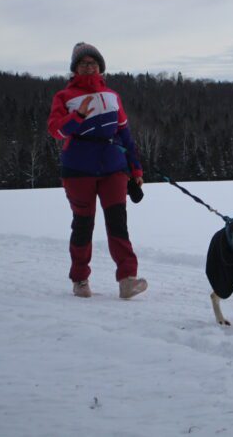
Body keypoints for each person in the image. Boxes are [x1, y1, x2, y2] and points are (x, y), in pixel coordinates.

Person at [47, 42, 147, 299]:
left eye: (93, 63)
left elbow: (124, 133)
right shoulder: (64, 97)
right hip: (78, 169)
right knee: (83, 224)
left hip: (114, 168)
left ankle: (127, 279)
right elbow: (56, 130)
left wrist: (135, 169)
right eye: (83, 63)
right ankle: (80, 279)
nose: (89, 66)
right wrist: (77, 116)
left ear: (100, 67)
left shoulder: (112, 96)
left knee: (118, 223)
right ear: (75, 69)